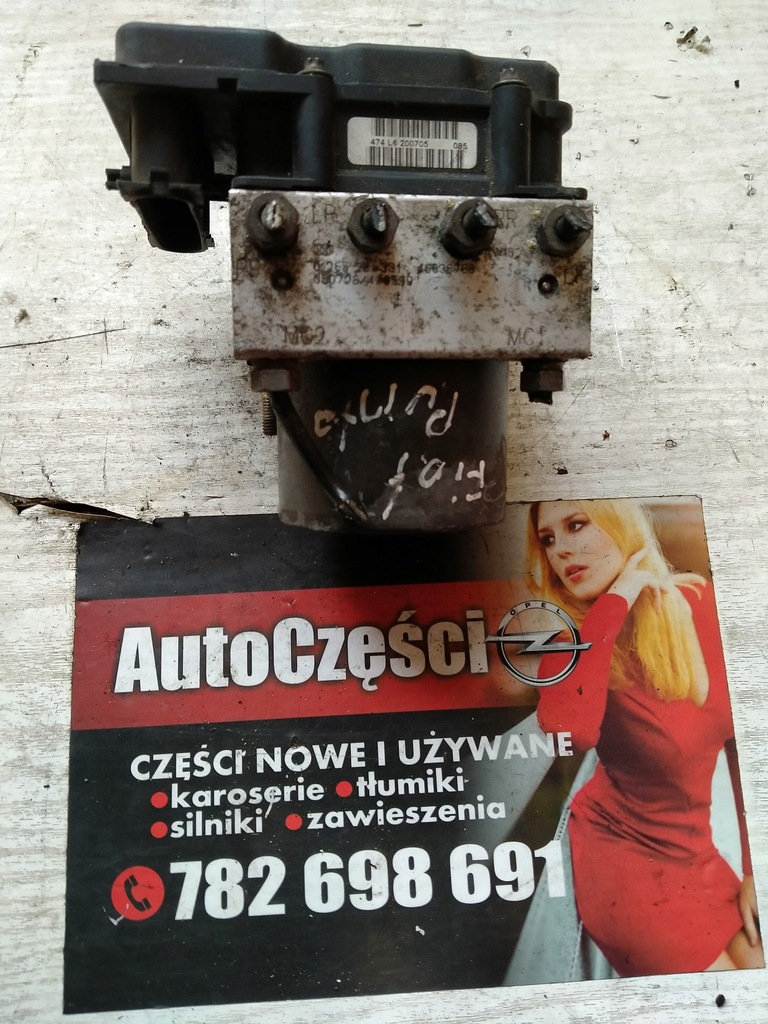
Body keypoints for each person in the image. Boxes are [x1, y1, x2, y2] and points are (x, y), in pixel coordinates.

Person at [528, 498, 763, 977]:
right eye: (548, 540)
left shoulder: (699, 600)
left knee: (756, 969)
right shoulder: (569, 646)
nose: (561, 550)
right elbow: (569, 733)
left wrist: (753, 868)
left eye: (577, 525)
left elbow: (746, 742)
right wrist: (619, 597)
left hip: (696, 856)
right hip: (623, 867)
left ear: (622, 525)